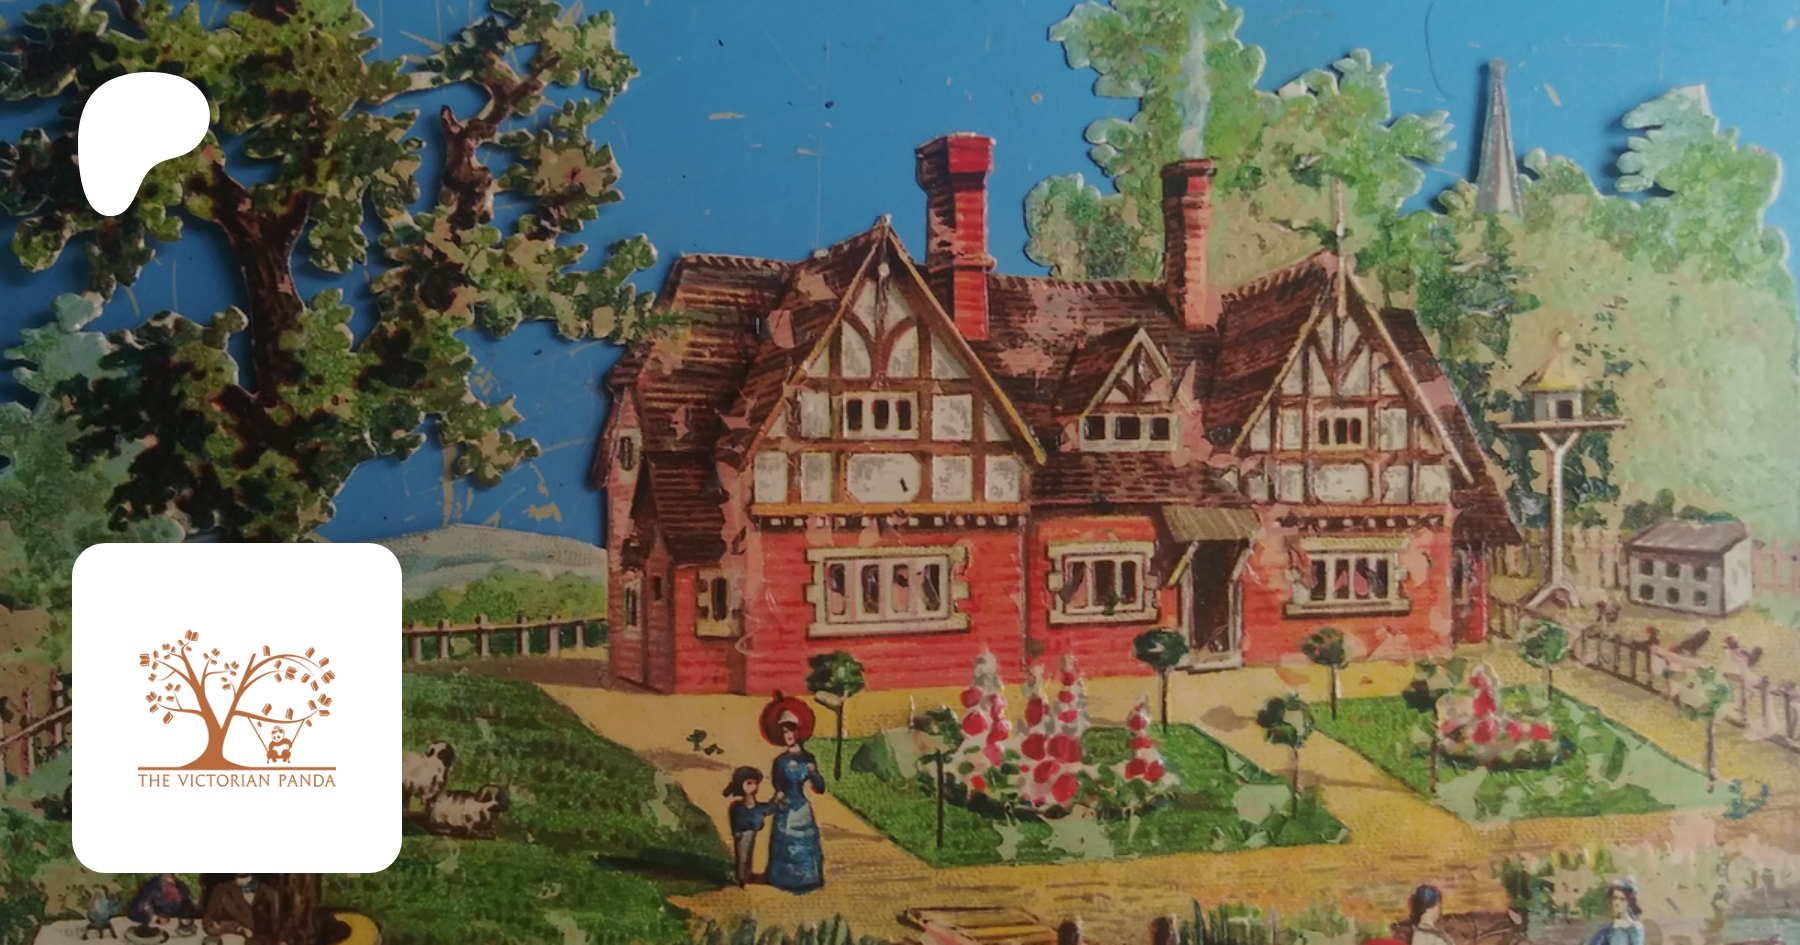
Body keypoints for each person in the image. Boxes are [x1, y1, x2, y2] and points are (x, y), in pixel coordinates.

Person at [760, 692, 826, 893]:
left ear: (799, 732)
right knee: (784, 843)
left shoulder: (808, 759)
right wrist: (776, 799)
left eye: (791, 730)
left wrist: (814, 774)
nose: (788, 735)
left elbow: (820, 788)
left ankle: (808, 877)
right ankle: (782, 877)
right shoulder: (780, 762)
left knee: (805, 843)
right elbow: (778, 787)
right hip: (785, 808)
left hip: (802, 808)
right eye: (784, 731)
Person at [723, 766, 778, 887]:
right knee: (742, 855)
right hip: (742, 833)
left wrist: (776, 800)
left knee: (748, 854)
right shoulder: (737, 806)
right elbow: (738, 821)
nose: (753, 786)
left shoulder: (755, 805)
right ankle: (741, 877)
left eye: (755, 783)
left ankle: (746, 874)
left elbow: (766, 809)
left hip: (751, 832)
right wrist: (741, 829)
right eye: (749, 783)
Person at [202, 873, 282, 945]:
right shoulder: (221, 891)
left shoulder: (269, 893)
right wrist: (236, 928)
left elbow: (277, 931)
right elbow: (209, 924)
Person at [1584, 880, 1646, 945]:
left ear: (1629, 902)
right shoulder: (1604, 932)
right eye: (1614, 898)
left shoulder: (1635, 929)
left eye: (1622, 899)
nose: (1617, 902)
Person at [126, 873, 196, 928]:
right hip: (154, 929)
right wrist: (154, 918)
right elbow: (133, 912)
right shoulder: (152, 888)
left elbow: (190, 912)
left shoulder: (182, 888)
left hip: (175, 931)